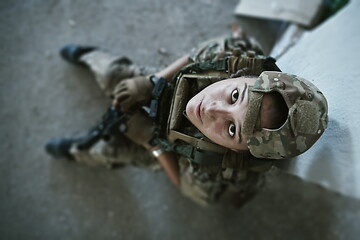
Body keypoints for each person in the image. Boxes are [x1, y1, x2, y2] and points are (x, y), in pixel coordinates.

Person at [45, 27, 328, 206]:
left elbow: (186, 186)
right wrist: (152, 81)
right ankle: (89, 56)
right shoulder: (237, 56)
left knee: (106, 150)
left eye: (232, 130)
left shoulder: (225, 172)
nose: (213, 110)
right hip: (167, 89)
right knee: (113, 75)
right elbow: (196, 54)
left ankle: (73, 152)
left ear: (240, 152)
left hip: (172, 151)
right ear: (246, 75)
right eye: (234, 97)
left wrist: (152, 144)